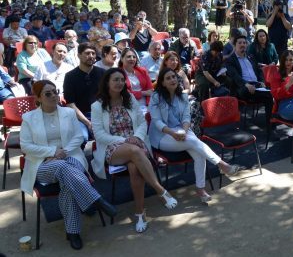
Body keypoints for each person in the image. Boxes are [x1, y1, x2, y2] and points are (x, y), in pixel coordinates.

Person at [20, 80, 117, 250]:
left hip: (71, 157)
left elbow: (79, 137)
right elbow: (26, 146)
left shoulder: (68, 113)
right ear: (38, 97)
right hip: (43, 164)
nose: (54, 96)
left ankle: (73, 232)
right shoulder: (29, 118)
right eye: (48, 93)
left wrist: (62, 152)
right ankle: (96, 200)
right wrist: (52, 152)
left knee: (67, 180)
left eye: (55, 91)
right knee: (63, 168)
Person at [91, 68, 177, 233]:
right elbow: (99, 135)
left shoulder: (129, 98)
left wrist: (136, 137)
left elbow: (142, 123)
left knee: (134, 167)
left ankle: (139, 213)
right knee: (134, 152)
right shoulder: (97, 106)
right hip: (113, 146)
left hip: (136, 142)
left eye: (122, 80)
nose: (119, 83)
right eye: (115, 79)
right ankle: (160, 190)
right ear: (107, 82)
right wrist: (125, 140)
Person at [148, 68, 238, 202]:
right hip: (162, 135)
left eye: (174, 77)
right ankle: (221, 164)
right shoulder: (156, 97)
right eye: (168, 78)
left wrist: (183, 131)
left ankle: (201, 189)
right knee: (195, 143)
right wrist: (173, 133)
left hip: (183, 132)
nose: (173, 79)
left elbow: (186, 118)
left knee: (199, 152)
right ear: (162, 83)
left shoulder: (183, 96)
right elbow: (157, 122)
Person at [226, 35, 274, 132]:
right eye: (239, 43)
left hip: (256, 85)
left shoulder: (251, 57)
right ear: (235, 45)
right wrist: (246, 84)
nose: (242, 45)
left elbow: (259, 71)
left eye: (244, 43)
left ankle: (270, 123)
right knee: (268, 96)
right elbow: (235, 76)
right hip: (242, 87)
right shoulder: (231, 60)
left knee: (271, 94)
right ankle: (270, 127)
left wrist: (262, 82)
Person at [63, 43, 106, 141]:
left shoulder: (103, 73)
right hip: (80, 117)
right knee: (82, 137)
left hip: (102, 115)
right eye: (87, 53)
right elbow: (70, 104)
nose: (91, 56)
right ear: (78, 55)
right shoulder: (70, 76)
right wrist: (88, 123)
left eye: (93, 53)